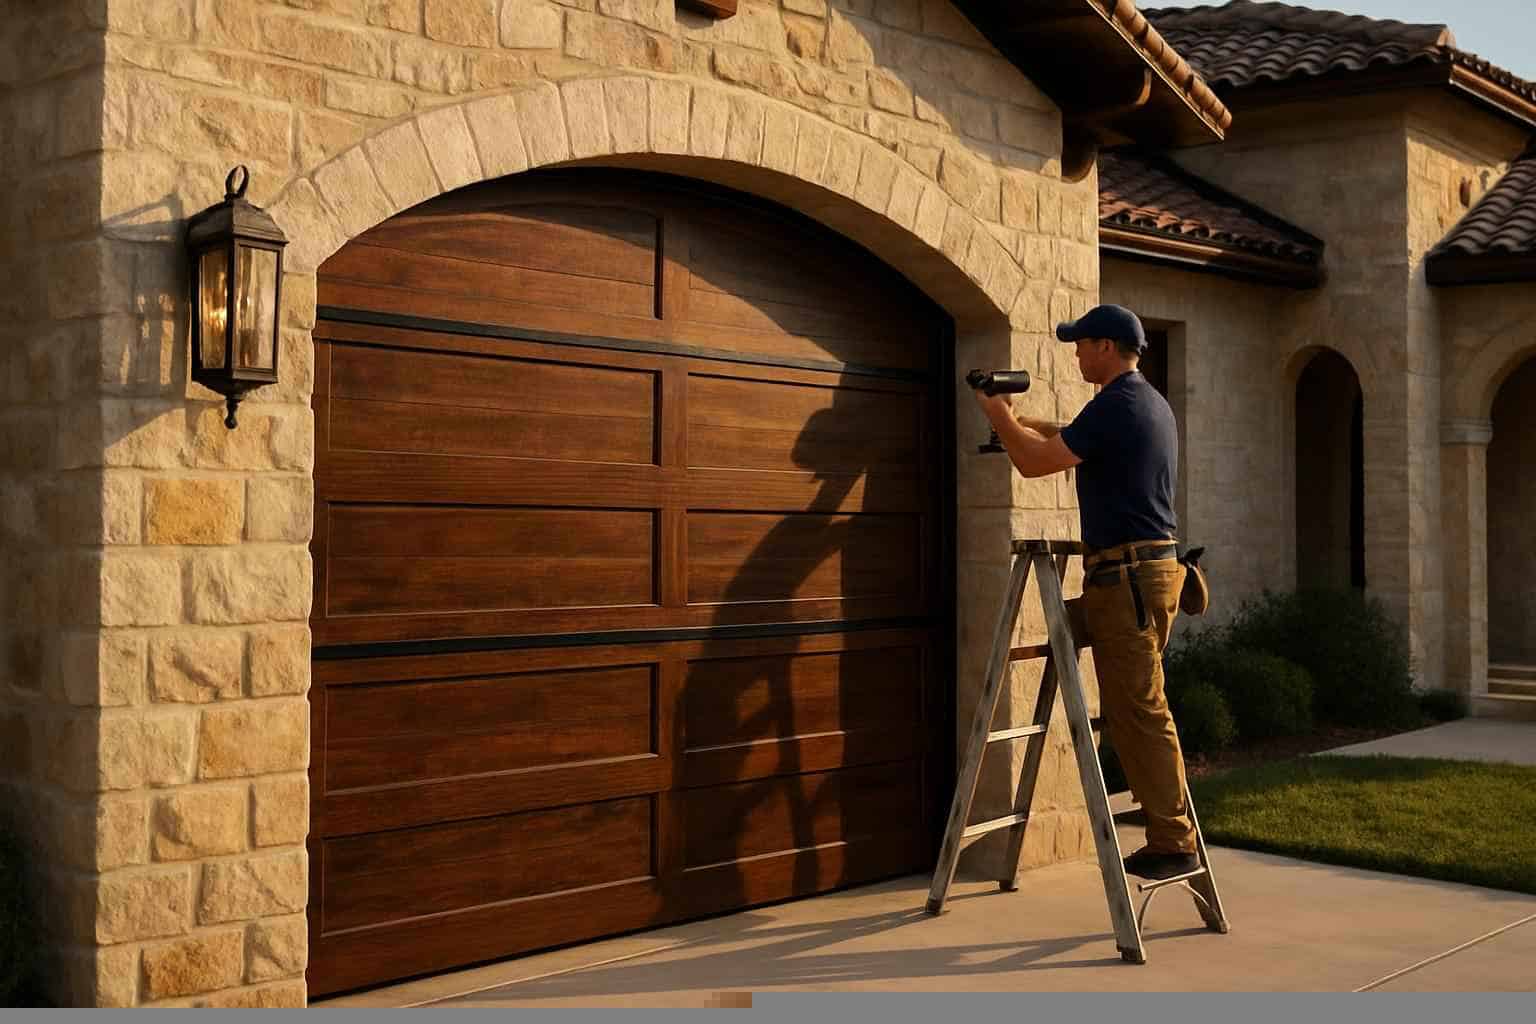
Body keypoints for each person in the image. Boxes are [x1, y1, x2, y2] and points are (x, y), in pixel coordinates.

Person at [971, 303, 1199, 881]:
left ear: (1105, 347)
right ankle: (1168, 826)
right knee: (1124, 696)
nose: (1074, 354)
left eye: (1080, 344)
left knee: (1140, 711)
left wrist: (999, 416)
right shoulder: (1146, 403)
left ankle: (1174, 840)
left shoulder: (1116, 405)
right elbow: (1066, 439)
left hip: (1125, 582)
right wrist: (1024, 424)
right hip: (1139, 578)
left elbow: (1031, 463)